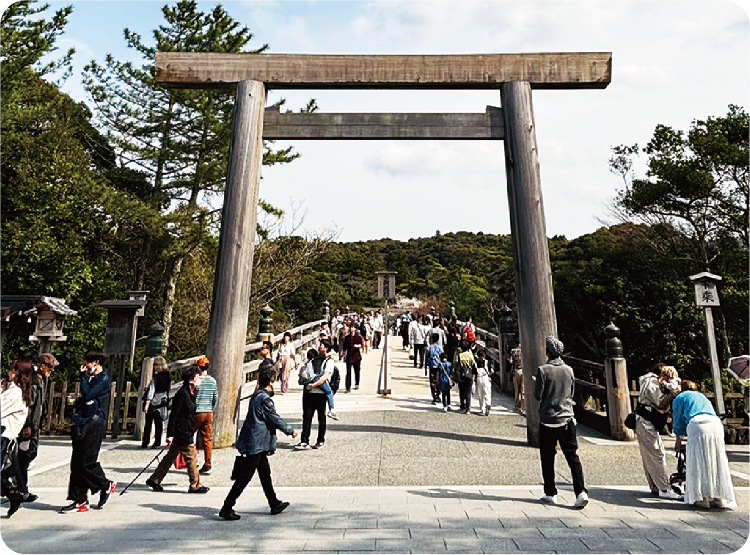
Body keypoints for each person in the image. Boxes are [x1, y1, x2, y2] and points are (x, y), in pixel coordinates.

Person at [219, 364, 298, 521]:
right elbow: (274, 418)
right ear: (270, 381)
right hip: (257, 442)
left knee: (265, 472)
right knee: (245, 476)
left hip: (256, 441)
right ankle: (227, 507)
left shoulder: (256, 396)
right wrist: (290, 430)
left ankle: (274, 503)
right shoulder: (264, 399)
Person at [61, 349, 118, 513]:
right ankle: (79, 499)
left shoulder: (103, 380)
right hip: (81, 420)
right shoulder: (92, 378)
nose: (85, 365)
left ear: (96, 363)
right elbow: (84, 399)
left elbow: (88, 395)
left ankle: (105, 484)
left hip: (94, 423)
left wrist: (83, 378)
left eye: (88, 362)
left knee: (87, 461)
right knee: (76, 463)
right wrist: (74, 401)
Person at [535, 336, 588, 509]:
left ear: (547, 351)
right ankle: (580, 492)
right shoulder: (569, 370)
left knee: (547, 457)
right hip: (566, 418)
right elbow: (571, 393)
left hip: (548, 419)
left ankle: (550, 492)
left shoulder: (543, 370)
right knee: (572, 456)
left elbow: (538, 395)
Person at [146, 366, 209, 494]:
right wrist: (170, 434)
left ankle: (155, 479)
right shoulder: (182, 394)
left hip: (187, 429)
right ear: (191, 380)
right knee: (191, 457)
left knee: (170, 457)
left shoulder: (192, 393)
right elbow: (174, 414)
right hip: (182, 431)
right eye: (197, 377)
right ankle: (195, 484)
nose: (199, 380)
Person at [672, 382, 736, 509]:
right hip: (715, 424)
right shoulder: (702, 396)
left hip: (697, 424)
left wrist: (678, 438)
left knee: (698, 461)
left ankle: (701, 497)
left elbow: (678, 420)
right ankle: (719, 497)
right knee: (716, 459)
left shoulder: (679, 398)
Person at [635, 364, 683, 500]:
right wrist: (673, 394)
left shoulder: (648, 381)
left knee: (649, 454)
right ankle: (663, 488)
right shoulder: (652, 381)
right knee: (657, 453)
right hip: (647, 420)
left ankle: (655, 485)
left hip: (646, 420)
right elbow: (659, 403)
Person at [17, 353, 58, 503]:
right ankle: (21, 489)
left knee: (28, 455)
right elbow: (29, 405)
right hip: (28, 425)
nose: (51, 371)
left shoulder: (40, 379)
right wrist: (27, 425)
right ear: (42, 366)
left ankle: (20, 487)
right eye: (50, 368)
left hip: (34, 424)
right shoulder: (33, 381)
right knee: (23, 456)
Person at [1, 359, 31, 517]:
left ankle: (15, 495)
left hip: (4, 434)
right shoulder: (13, 390)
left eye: (11, 369)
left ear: (17, 372)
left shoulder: (15, 392)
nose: (9, 372)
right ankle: (14, 496)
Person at [295, 339, 335, 450]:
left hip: (320, 394)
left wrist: (313, 385)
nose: (319, 347)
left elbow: (325, 377)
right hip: (310, 394)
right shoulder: (313, 360)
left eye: (321, 345)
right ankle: (304, 440)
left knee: (321, 418)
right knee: (307, 417)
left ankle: (320, 440)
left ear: (326, 348)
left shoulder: (329, 361)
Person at [194, 355, 217, 475]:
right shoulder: (213, 381)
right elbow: (215, 398)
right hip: (208, 411)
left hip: (197, 411)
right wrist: (211, 408)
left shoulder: (197, 381)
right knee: (207, 439)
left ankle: (193, 460)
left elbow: (193, 396)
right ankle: (208, 464)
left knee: (190, 436)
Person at [300, 347, 338, 420]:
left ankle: (306, 430)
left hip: (310, 381)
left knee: (308, 417)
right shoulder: (320, 359)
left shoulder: (307, 363)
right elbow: (324, 376)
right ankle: (331, 409)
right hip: (318, 379)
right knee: (329, 392)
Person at [141, 356, 170, 449]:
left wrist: (147, 402)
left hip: (154, 400)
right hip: (163, 400)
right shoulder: (168, 376)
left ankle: (145, 442)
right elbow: (169, 388)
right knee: (159, 423)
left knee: (148, 423)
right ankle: (157, 441)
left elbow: (152, 389)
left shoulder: (156, 377)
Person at [452, 347, 475, 414]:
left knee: (462, 391)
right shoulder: (470, 355)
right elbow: (473, 365)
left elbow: (455, 364)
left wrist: (454, 374)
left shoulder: (459, 356)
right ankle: (468, 408)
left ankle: (462, 406)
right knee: (468, 392)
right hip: (469, 375)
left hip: (461, 376)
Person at [342, 325, 363, 393]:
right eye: (350, 327)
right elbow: (344, 347)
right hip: (349, 356)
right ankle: (348, 387)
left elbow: (361, 344)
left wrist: (357, 346)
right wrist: (343, 354)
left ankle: (357, 383)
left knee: (357, 371)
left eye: (353, 327)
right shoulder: (347, 337)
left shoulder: (358, 337)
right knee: (348, 372)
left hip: (356, 356)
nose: (351, 329)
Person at [424, 333, 443, 404]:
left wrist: (425, 368)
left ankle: (434, 396)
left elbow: (426, 359)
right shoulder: (440, 348)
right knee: (438, 381)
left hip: (431, 366)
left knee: (432, 382)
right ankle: (438, 395)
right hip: (438, 366)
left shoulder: (428, 348)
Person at [474, 349, 493, 416]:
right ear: (484, 355)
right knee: (487, 392)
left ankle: (482, 409)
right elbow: (491, 371)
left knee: (480, 393)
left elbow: (474, 373)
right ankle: (488, 404)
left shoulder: (475, 363)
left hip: (479, 378)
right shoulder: (487, 362)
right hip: (485, 377)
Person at [510, 341, 524, 412]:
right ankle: (522, 405)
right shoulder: (524, 352)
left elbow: (510, 361)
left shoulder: (513, 352)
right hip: (523, 370)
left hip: (515, 370)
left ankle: (517, 405)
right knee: (522, 389)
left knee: (517, 390)